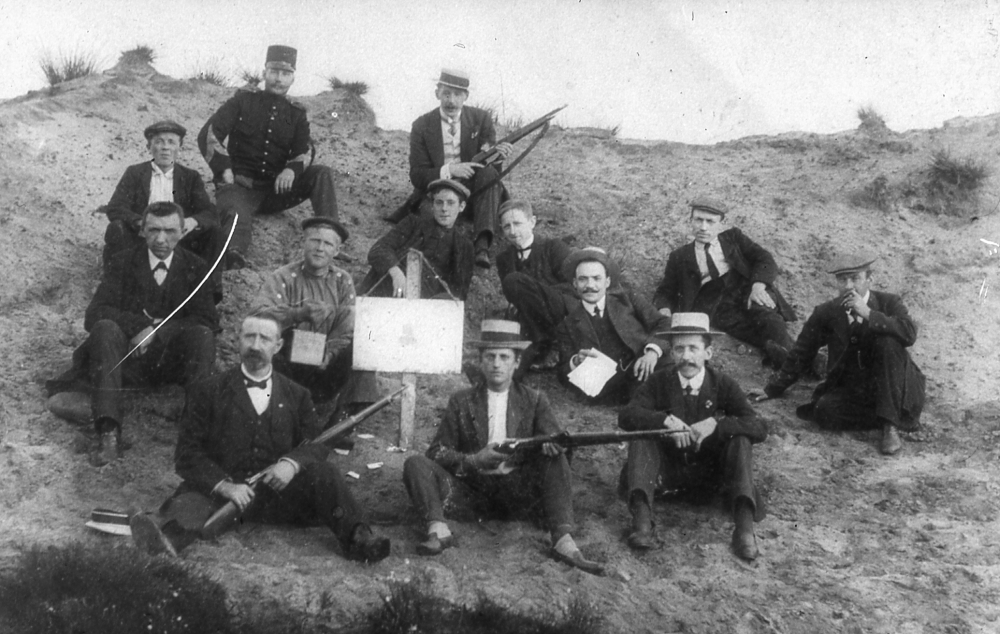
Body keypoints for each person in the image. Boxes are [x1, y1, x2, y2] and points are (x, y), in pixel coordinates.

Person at [128, 312, 391, 562]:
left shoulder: (297, 394)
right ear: (237, 340)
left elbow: (315, 446)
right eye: (249, 337)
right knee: (185, 512)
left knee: (325, 474)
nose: (255, 345)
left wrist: (291, 463)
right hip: (219, 495)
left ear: (278, 346)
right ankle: (164, 543)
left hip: (277, 497)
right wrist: (224, 485)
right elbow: (187, 455)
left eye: (264, 339)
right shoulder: (207, 391)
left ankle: (359, 539)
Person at [401, 320, 603, 575]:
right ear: (481, 361)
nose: (497, 364)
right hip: (472, 494)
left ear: (517, 362)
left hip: (520, 495)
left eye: (504, 357)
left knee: (555, 458)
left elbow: (558, 445)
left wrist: (554, 447)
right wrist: (474, 460)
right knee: (415, 464)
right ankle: (438, 529)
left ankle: (563, 539)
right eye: (490, 356)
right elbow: (437, 452)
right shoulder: (461, 401)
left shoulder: (534, 400)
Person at [76, 201, 218, 466]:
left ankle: (198, 432)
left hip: (171, 364)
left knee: (202, 335)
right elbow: (94, 313)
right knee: (105, 328)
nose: (161, 239)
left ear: (182, 232)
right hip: (127, 362)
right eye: (153, 230)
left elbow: (208, 319)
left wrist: (158, 331)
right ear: (142, 230)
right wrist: (138, 326)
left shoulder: (196, 267)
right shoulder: (122, 261)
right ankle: (108, 431)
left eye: (170, 231)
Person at [619, 313, 767, 561]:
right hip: (668, 474)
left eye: (693, 348)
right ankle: (643, 523)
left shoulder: (723, 383)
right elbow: (627, 415)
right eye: (679, 349)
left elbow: (759, 426)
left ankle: (744, 528)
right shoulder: (659, 381)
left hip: (711, 478)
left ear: (708, 353)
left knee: (740, 439)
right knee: (642, 436)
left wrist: (717, 424)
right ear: (672, 352)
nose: (686, 356)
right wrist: (664, 421)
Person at [764, 253, 925, 456]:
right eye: (842, 280)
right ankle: (890, 415)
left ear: (869, 279)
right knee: (823, 411)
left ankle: (890, 425)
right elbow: (802, 351)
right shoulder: (827, 312)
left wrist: (868, 314)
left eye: (855, 278)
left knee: (887, 341)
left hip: (895, 385)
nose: (848, 286)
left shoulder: (889, 303)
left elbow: (909, 334)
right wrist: (773, 388)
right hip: (856, 390)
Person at [198, 45, 339, 267]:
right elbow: (209, 134)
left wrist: (291, 169)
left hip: (275, 192)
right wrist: (224, 168)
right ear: (264, 73)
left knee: (321, 173)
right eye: (274, 72)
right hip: (239, 188)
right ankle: (233, 257)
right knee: (235, 216)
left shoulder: (296, 113)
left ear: (293, 78)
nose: (278, 79)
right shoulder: (242, 101)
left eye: (285, 74)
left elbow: (306, 149)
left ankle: (331, 235)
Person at [390, 68, 513, 269]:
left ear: (466, 96)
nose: (451, 101)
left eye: (457, 94)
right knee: (427, 229)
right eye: (446, 93)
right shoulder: (422, 125)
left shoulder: (480, 119)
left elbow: (491, 170)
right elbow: (417, 175)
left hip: (473, 194)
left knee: (489, 174)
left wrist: (498, 157)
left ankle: (482, 245)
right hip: (437, 190)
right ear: (437, 93)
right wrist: (450, 170)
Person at [252, 217, 377, 412]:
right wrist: (297, 314)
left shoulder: (342, 281)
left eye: (327, 243)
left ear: (336, 251)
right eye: (315, 240)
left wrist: (330, 353)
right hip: (290, 367)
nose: (320, 248)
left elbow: (348, 325)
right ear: (304, 242)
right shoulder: (283, 276)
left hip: (326, 365)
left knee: (364, 343)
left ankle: (343, 418)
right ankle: (280, 411)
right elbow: (257, 316)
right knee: (271, 341)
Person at [653, 198, 796, 368]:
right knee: (752, 333)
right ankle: (803, 362)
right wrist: (664, 309)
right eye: (698, 220)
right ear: (690, 220)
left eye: (710, 221)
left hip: (747, 290)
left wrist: (758, 285)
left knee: (768, 318)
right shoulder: (679, 256)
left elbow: (764, 259)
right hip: (717, 306)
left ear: (721, 224)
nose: (703, 227)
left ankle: (789, 365)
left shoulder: (733, 238)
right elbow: (665, 291)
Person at [101, 120, 224, 301]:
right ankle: (116, 290)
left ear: (179, 147)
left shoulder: (190, 177)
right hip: (144, 237)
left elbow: (208, 211)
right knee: (116, 228)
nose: (165, 148)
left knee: (214, 232)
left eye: (171, 142)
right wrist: (139, 222)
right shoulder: (135, 173)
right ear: (149, 147)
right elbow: (116, 207)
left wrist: (192, 221)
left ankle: (205, 296)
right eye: (159, 142)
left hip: (178, 240)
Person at [556, 246, 671, 404]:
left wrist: (652, 352)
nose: (590, 285)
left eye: (596, 278)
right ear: (575, 283)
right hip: (611, 388)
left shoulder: (627, 299)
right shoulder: (568, 324)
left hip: (645, 365)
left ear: (607, 282)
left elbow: (663, 322)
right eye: (583, 279)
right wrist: (575, 361)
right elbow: (562, 371)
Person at [359, 179, 474, 300]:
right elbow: (378, 250)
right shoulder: (413, 224)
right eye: (439, 202)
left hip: (427, 307)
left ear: (461, 206)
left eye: (450, 203)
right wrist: (396, 273)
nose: (444, 209)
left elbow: (459, 293)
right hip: (389, 293)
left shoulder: (465, 247)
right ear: (432, 205)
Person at [496, 199, 574, 372]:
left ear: (532, 222)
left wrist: (537, 292)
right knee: (513, 359)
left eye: (517, 223)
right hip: (531, 318)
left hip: (561, 311)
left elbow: (572, 287)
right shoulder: (503, 259)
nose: (513, 231)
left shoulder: (554, 247)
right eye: (507, 226)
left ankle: (553, 343)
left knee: (513, 280)